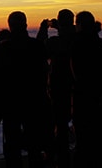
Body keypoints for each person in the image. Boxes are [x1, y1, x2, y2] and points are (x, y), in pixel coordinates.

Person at [0, 11, 50, 168]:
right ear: (25, 25)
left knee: (12, 143)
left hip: (10, 102)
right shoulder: (37, 46)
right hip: (34, 101)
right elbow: (44, 71)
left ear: (9, 26)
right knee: (34, 143)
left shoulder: (4, 49)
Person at [70, 11, 102, 168]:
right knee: (101, 135)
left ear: (80, 25)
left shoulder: (76, 45)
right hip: (100, 99)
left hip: (83, 98)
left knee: (83, 138)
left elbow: (77, 74)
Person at [36, 9, 76, 168]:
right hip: (77, 88)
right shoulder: (78, 38)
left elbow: (40, 50)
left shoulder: (55, 42)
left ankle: (58, 157)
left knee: (57, 125)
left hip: (58, 87)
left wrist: (44, 28)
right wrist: (61, 27)